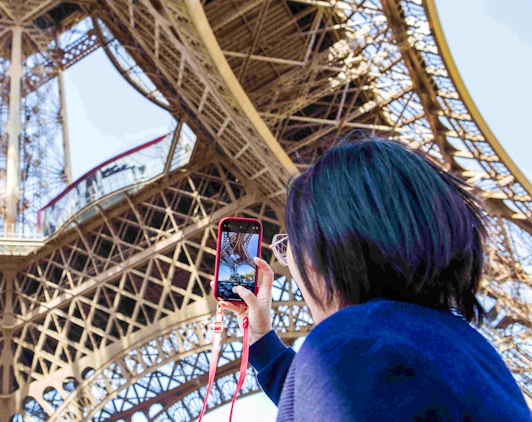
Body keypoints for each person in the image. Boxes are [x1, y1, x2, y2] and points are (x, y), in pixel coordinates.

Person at [220, 136, 532, 420]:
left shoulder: (353, 344)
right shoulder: (472, 352)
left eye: (289, 248)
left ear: (324, 251)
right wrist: (264, 344)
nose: (291, 266)